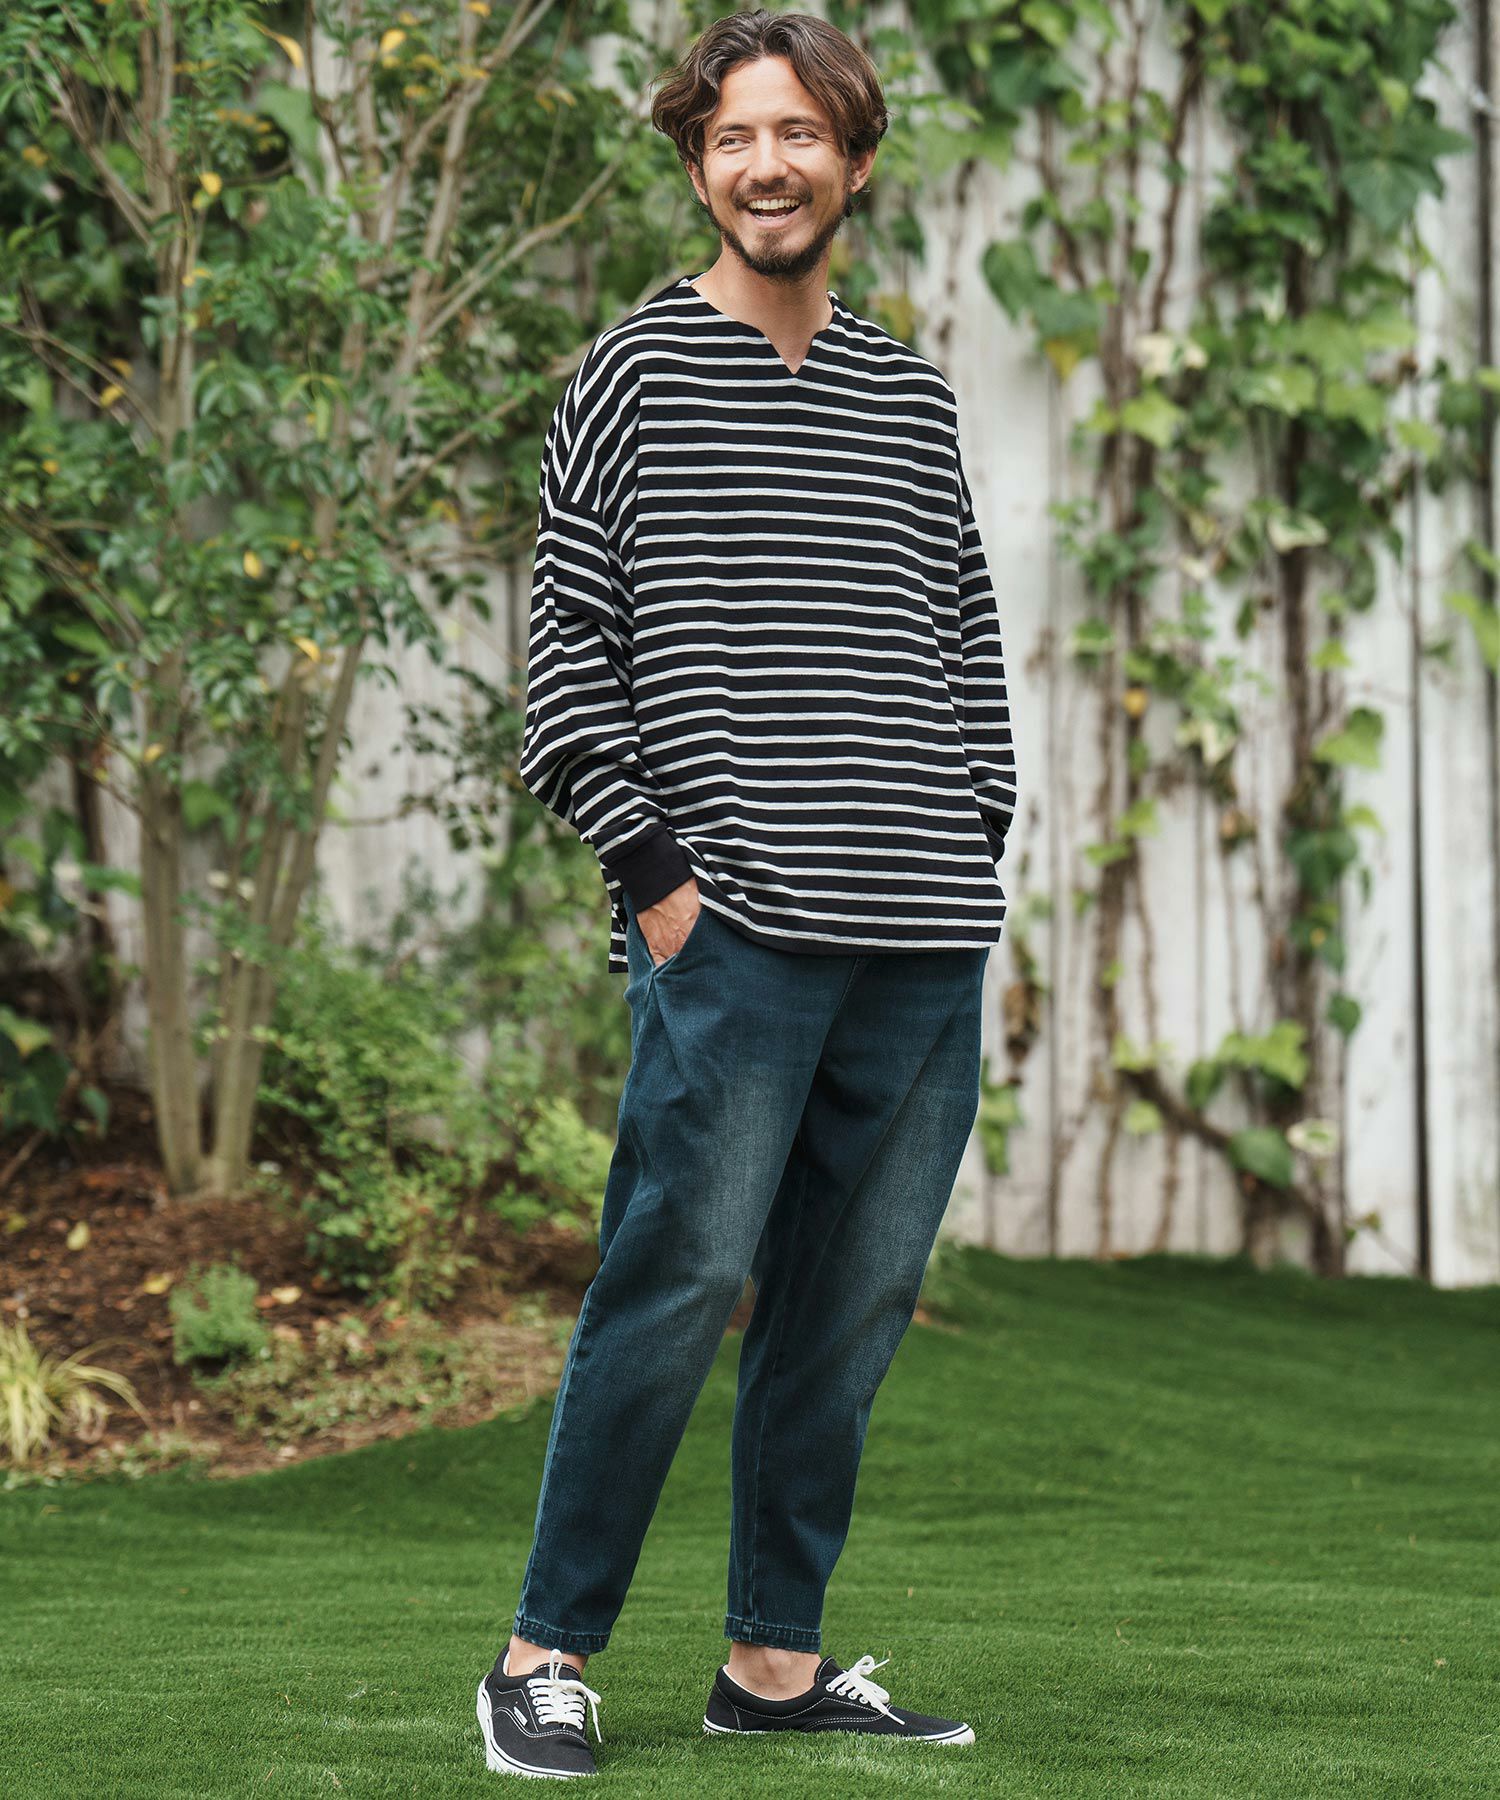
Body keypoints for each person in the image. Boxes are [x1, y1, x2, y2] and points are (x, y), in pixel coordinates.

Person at [475, 7, 1017, 1780]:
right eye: (731, 139)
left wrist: (974, 835)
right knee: (677, 1273)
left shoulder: (908, 394)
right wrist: (657, 879)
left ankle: (772, 1663)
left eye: (795, 135)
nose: (764, 165)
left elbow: (965, 640)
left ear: (852, 159)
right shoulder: (632, 374)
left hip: (920, 942)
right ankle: (542, 1654)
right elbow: (568, 660)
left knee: (848, 1307)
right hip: (734, 935)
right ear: (698, 168)